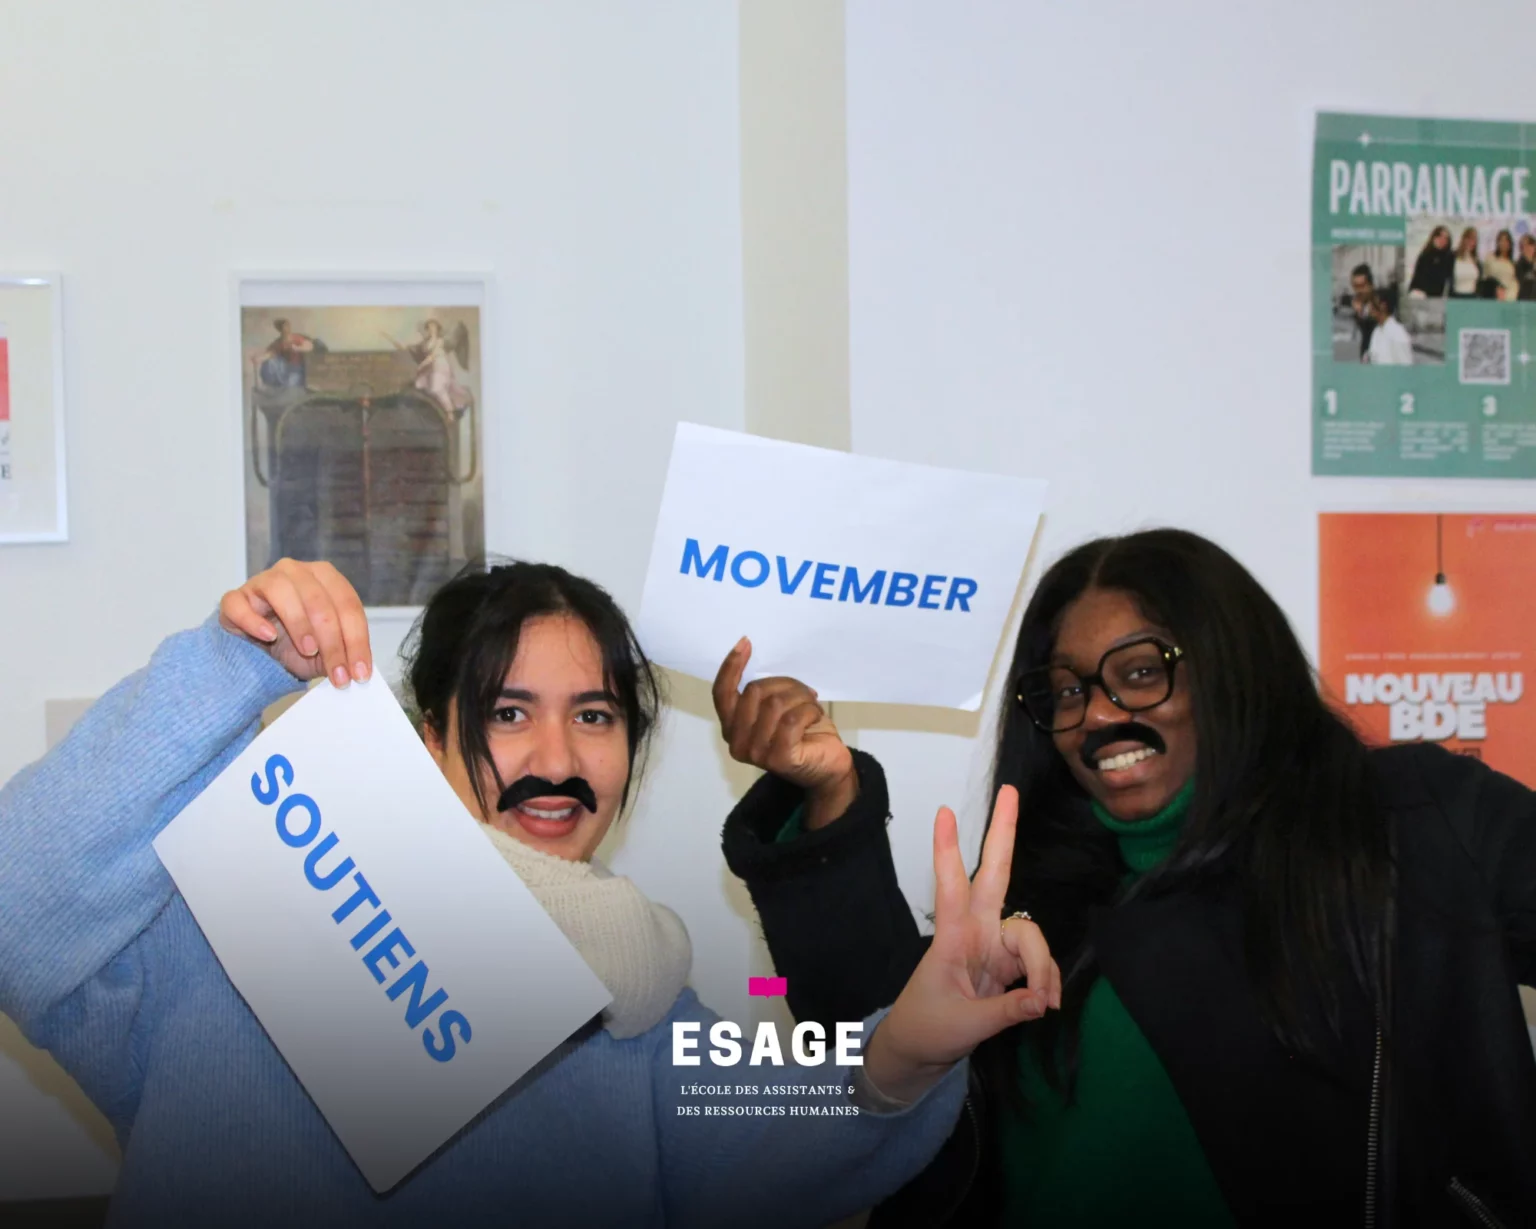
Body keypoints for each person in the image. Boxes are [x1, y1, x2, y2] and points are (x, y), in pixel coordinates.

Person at [0, 557, 1040, 1228]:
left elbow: (767, 1112)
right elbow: (18, 900)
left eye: (594, 715)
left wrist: (910, 1039)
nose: (557, 756)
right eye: (508, 712)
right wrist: (232, 669)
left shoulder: (641, 981)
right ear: (429, 737)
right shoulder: (242, 902)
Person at [716, 529, 1536, 1227]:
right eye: (1067, 689)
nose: (1099, 714)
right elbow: (879, 1043)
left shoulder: (1413, 824)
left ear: (1234, 666)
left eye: (1141, 671)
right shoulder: (1034, 897)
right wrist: (827, 790)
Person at [1364, 293, 1414, 366]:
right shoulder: (1377, 330)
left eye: (1372, 303)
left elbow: (1406, 367)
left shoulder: (1397, 333)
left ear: (1383, 306)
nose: (1369, 307)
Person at [1408, 225, 1454, 297]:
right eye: (1440, 236)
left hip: (1437, 297)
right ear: (1433, 238)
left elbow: (1450, 280)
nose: (1442, 240)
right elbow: (1416, 278)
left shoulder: (1449, 257)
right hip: (1420, 294)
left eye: (1446, 238)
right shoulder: (1424, 255)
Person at [1343, 263, 1376, 359]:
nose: (1358, 291)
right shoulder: (1361, 304)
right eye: (1355, 286)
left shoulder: (1380, 306)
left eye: (1362, 286)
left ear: (1371, 285)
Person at [1485, 229, 1520, 301]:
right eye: (1501, 240)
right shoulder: (1490, 258)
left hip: (1509, 297)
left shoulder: (1512, 263)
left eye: (1506, 241)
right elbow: (1486, 277)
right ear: (1497, 242)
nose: (1504, 243)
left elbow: (1514, 282)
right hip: (1493, 296)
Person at [1452, 227, 1482, 298]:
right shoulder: (1453, 257)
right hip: (1456, 297)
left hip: (1472, 297)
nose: (1471, 242)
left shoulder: (1476, 261)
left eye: (1474, 240)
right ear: (1463, 239)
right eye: (1469, 239)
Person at [1516, 233, 1536, 302]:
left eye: (1530, 244)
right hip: (1526, 302)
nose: (1527, 247)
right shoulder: (1518, 265)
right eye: (1524, 245)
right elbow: (1522, 283)